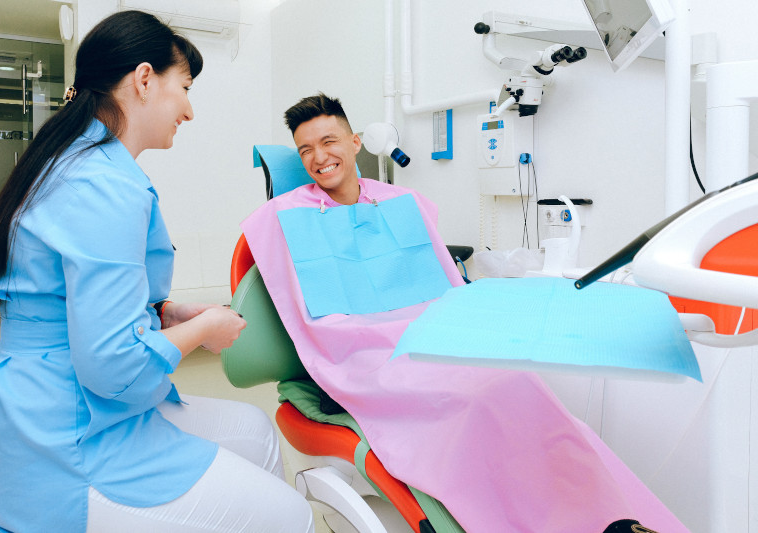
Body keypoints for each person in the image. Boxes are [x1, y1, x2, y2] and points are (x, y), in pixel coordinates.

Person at [239, 93, 689, 532]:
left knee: (516, 382)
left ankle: (603, 514)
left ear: (355, 142)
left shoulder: (402, 204)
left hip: (434, 337)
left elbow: (447, 284)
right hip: (363, 359)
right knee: (472, 404)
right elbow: (293, 303)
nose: (319, 156)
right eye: (306, 150)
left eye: (329, 141)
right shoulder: (283, 220)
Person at [0, 11, 313, 533]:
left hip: (45, 406)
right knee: (293, 516)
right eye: (185, 88)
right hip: (69, 441)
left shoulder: (76, 164)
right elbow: (113, 367)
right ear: (144, 80)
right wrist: (204, 330)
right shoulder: (103, 186)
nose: (189, 111)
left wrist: (165, 312)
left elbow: (66, 297)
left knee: (255, 428)